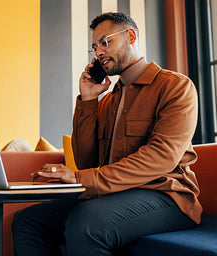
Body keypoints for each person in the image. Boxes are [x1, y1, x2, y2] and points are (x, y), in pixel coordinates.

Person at [12, 12, 202, 256]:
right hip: (115, 195)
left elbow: (161, 157)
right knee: (28, 221)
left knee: (87, 223)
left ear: (131, 36)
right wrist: (88, 100)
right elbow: (86, 161)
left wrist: (82, 179)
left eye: (105, 42)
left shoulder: (175, 87)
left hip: (166, 195)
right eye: (94, 47)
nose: (99, 52)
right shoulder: (107, 101)